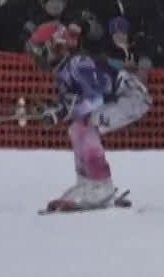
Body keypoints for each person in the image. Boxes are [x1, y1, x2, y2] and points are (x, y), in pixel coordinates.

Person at [27, 21, 150, 212]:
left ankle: (101, 185)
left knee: (86, 124)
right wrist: (54, 110)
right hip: (116, 99)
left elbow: (95, 98)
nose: (37, 56)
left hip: (132, 97)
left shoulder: (78, 64)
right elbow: (73, 101)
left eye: (41, 50)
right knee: (76, 128)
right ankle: (86, 182)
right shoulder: (63, 68)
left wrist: (60, 112)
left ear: (56, 45)